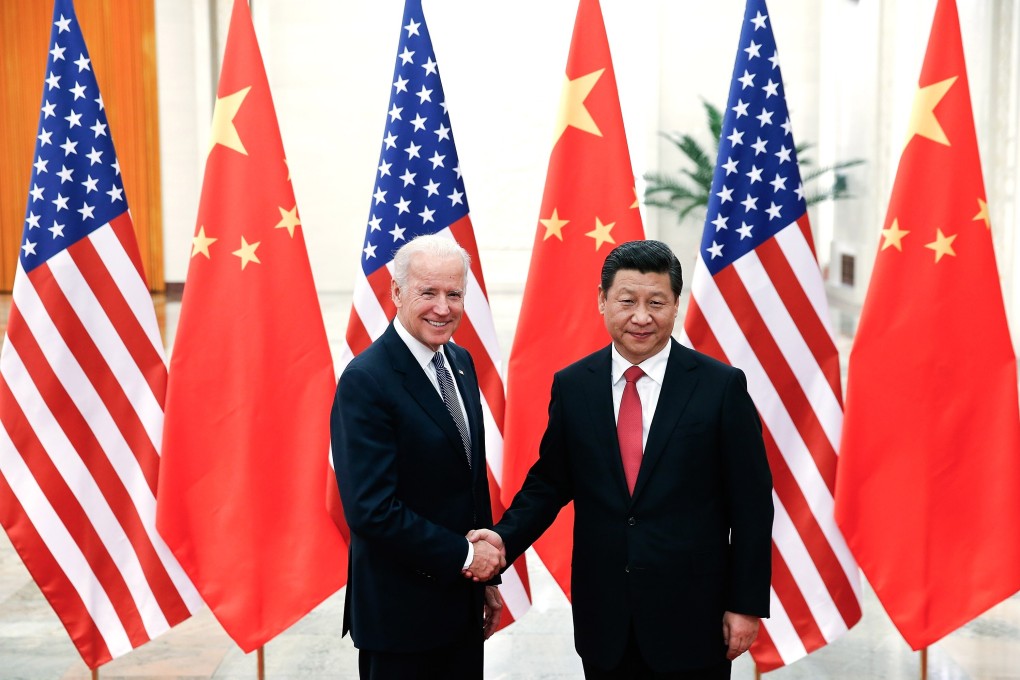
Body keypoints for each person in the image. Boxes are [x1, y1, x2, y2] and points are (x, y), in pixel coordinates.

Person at [470, 240, 773, 679]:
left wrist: (745, 606)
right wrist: (503, 540)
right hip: (605, 618)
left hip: (694, 618)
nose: (641, 317)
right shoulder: (574, 386)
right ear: (602, 300)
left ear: (675, 306)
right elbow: (550, 483)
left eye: (656, 302)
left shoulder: (720, 387)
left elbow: (751, 505)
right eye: (627, 301)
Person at [331, 234, 505, 680]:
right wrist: (467, 558)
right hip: (400, 620)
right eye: (428, 292)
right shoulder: (366, 380)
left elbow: (469, 479)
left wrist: (485, 580)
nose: (443, 308)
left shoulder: (461, 363)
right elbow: (371, 510)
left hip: (460, 609)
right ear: (396, 292)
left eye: (454, 294)